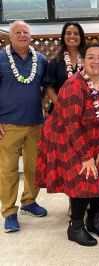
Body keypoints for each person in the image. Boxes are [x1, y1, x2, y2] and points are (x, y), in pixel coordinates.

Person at [36, 43, 99, 247]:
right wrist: (85, 157)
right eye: (90, 57)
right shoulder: (74, 84)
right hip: (68, 137)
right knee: (85, 176)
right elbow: (71, 124)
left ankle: (93, 220)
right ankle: (75, 227)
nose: (96, 62)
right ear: (83, 61)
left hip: (97, 138)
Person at [0, 20, 48, 232]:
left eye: (25, 32)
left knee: (34, 167)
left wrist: (43, 106)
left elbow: (46, 86)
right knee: (8, 170)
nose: (22, 35)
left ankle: (29, 201)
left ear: (31, 36)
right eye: (17, 32)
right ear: (10, 37)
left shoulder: (41, 59)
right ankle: (9, 211)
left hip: (35, 123)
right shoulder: (1, 58)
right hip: (7, 124)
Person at [45, 22, 86, 114]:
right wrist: (62, 106)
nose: (72, 36)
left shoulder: (88, 59)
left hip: (85, 110)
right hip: (60, 110)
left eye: (76, 33)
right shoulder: (55, 62)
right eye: (68, 33)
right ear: (63, 37)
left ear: (81, 37)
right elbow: (49, 88)